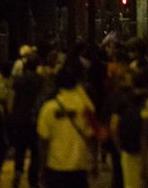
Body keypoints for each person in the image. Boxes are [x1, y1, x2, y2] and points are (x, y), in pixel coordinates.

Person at [36, 67, 97, 188]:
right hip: (79, 165)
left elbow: (43, 140)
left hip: (55, 165)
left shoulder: (48, 108)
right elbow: (92, 136)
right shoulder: (86, 107)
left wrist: (41, 168)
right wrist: (94, 162)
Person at [8, 52, 45, 188]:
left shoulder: (18, 80)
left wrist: (11, 115)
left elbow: (12, 99)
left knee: (20, 148)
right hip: (35, 119)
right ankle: (32, 178)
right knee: (35, 150)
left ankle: (18, 171)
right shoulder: (41, 80)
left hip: (20, 119)